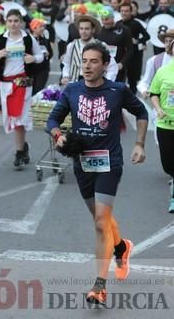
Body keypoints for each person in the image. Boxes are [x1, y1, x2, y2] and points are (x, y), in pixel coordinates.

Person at [47, 41, 148, 306]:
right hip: (83, 163)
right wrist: (58, 135)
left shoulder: (117, 90)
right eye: (85, 61)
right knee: (101, 219)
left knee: (101, 222)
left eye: (94, 61)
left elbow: (141, 112)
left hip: (109, 162)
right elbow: (53, 119)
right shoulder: (72, 90)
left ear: (105, 65)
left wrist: (139, 144)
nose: (88, 66)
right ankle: (121, 248)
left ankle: (100, 286)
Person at [0, 9, 44, 168]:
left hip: (24, 83)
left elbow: (40, 56)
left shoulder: (28, 39)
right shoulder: (0, 40)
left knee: (20, 119)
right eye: (10, 21)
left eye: (16, 21)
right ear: (6, 22)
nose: (13, 24)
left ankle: (19, 152)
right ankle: (23, 147)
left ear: (21, 23)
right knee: (12, 118)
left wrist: (32, 58)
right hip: (6, 84)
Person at [149, 36, 174, 212]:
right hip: (165, 124)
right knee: (168, 165)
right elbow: (154, 93)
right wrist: (158, 109)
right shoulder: (163, 71)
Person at [61, 15, 118, 85]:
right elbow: (67, 64)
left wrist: (108, 82)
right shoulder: (71, 45)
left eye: (87, 29)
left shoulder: (101, 45)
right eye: (81, 29)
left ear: (93, 30)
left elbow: (112, 66)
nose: (83, 31)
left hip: (96, 84)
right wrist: (65, 76)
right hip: (75, 83)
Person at [117, 2, 150, 93]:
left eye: (126, 11)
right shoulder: (117, 24)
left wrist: (137, 41)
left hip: (133, 56)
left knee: (132, 82)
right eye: (122, 11)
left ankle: (133, 104)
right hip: (121, 57)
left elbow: (147, 36)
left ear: (131, 12)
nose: (124, 13)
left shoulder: (136, 24)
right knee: (119, 81)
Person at [97, 6, 133, 83]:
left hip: (118, 66)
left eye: (107, 19)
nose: (104, 22)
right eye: (102, 19)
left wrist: (122, 63)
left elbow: (130, 49)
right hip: (104, 68)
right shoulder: (100, 31)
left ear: (113, 17)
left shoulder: (124, 30)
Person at [29, 18, 53, 95]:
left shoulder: (45, 40)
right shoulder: (28, 40)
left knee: (39, 91)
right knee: (30, 91)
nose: (43, 28)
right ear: (34, 28)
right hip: (31, 69)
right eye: (41, 26)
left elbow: (51, 53)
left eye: (43, 26)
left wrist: (48, 54)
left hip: (43, 69)